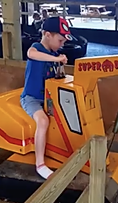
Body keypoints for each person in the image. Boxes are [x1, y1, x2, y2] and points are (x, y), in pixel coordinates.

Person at [20, 16, 73, 179]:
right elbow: (32, 54)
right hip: (32, 98)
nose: (62, 44)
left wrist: (60, 64)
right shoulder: (36, 49)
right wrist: (56, 59)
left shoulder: (54, 53)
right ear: (47, 35)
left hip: (47, 98)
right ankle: (40, 164)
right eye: (60, 40)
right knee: (43, 121)